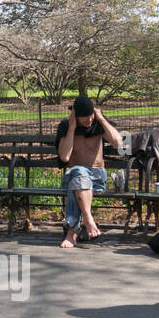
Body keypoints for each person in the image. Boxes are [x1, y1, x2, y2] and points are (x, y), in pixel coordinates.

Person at [56, 95, 122, 248]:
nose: (89, 119)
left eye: (91, 115)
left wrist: (101, 118)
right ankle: (88, 220)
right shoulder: (66, 126)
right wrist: (72, 127)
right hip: (75, 175)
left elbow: (119, 143)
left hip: (97, 177)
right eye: (85, 117)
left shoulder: (98, 123)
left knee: (76, 183)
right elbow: (65, 157)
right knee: (78, 174)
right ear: (75, 116)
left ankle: (72, 233)